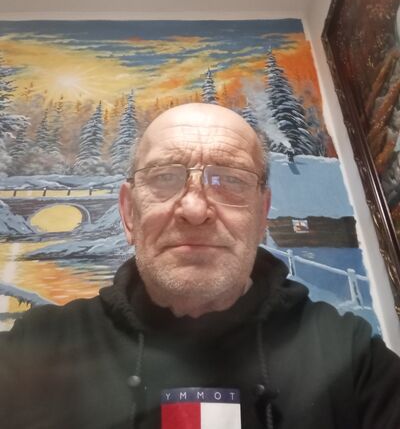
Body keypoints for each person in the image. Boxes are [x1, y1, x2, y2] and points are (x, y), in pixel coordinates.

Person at [1, 102, 400, 429]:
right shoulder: (35, 349)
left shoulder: (352, 359)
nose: (194, 209)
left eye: (230, 179)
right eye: (164, 177)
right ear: (128, 213)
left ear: (262, 215)